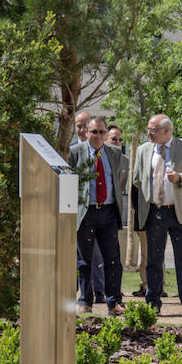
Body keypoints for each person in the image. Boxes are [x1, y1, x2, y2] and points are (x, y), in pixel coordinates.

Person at [132, 114, 182, 315]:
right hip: (154, 212)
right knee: (153, 260)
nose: (149, 133)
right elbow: (137, 178)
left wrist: (180, 178)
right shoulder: (143, 150)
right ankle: (153, 303)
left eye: (152, 130)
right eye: (148, 129)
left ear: (166, 131)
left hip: (179, 213)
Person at [68, 116, 125, 315]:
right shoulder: (76, 152)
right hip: (86, 211)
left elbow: (119, 179)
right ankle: (85, 300)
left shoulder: (115, 153)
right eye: (94, 132)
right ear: (86, 132)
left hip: (108, 211)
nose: (98, 136)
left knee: (112, 259)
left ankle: (114, 301)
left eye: (102, 132)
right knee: (85, 260)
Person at [73, 109, 105, 304]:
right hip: (77, 211)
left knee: (98, 255)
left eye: (87, 125)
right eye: (80, 126)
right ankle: (79, 293)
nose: (83, 129)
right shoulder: (72, 151)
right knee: (80, 257)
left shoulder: (104, 151)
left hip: (100, 209)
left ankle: (99, 292)